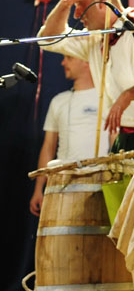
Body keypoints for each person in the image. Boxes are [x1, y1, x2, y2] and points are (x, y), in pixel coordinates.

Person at [38, 0, 134, 155]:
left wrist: (128, 95)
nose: (76, 14)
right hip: (125, 138)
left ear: (102, 2)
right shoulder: (95, 39)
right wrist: (66, 3)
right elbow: (47, 39)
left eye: (80, 5)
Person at [29, 55, 109, 216]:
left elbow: (115, 140)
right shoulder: (58, 101)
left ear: (87, 62)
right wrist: (39, 189)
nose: (63, 62)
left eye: (69, 58)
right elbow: (48, 146)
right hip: (61, 184)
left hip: (98, 183)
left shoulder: (107, 98)